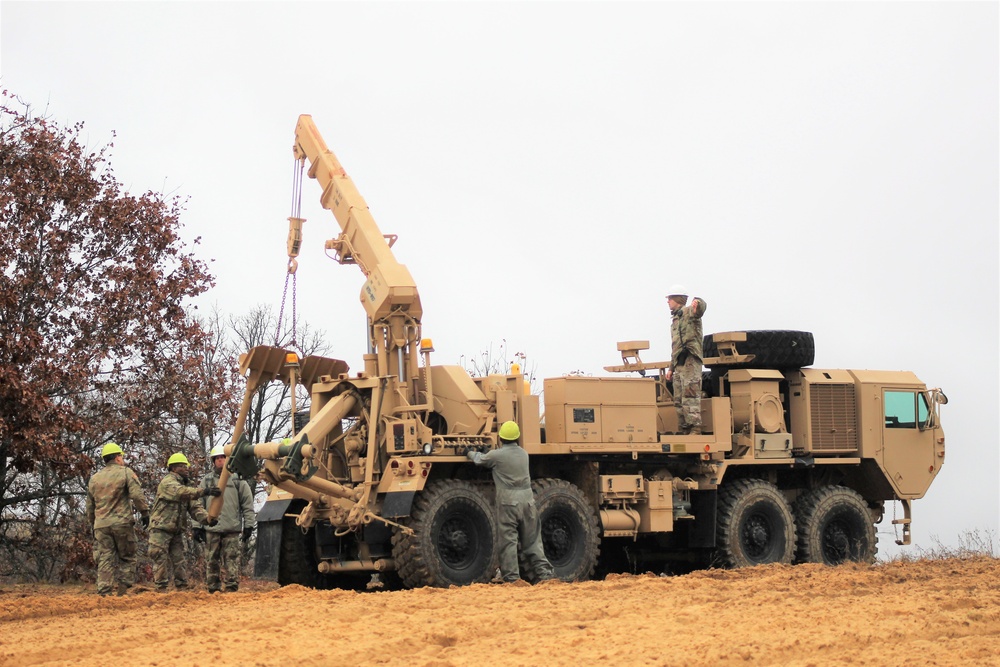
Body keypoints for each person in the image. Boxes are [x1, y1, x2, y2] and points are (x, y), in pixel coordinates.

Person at [467, 420, 554, 584]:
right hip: (528, 501)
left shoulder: (496, 455)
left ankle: (512, 578)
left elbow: (479, 460)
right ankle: (546, 575)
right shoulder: (524, 454)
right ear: (517, 437)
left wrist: (470, 452)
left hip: (508, 502)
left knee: (508, 541)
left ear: (500, 438)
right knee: (533, 541)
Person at [148, 452, 219, 592]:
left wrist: (208, 519)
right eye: (182, 466)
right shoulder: (168, 483)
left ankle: (182, 589)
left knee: (179, 560)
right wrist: (205, 491)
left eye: (186, 466)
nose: (186, 469)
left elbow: (195, 508)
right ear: (174, 468)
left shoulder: (188, 487)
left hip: (176, 530)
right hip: (160, 529)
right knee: (159, 558)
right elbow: (181, 493)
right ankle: (161, 589)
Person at [85, 442, 150, 596]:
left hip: (101, 525)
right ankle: (123, 591)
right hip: (121, 523)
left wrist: (93, 523)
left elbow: (90, 506)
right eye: (121, 456)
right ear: (118, 457)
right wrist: (145, 512)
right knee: (127, 557)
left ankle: (104, 592)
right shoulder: (126, 472)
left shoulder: (94, 478)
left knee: (105, 558)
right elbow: (136, 495)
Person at [193, 444, 256, 593]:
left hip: (231, 528)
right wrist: (197, 526)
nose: (221, 461)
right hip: (211, 529)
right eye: (218, 458)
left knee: (232, 560)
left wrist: (249, 525)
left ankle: (231, 588)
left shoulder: (237, 480)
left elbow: (247, 504)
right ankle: (213, 588)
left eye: (223, 458)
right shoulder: (206, 481)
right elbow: (197, 504)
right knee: (211, 560)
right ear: (213, 461)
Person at [664, 284, 708, 435]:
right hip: (679, 362)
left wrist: (698, 303)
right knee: (678, 399)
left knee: (690, 395)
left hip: (690, 360)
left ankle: (694, 428)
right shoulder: (675, 320)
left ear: (677, 298)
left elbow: (700, 309)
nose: (667, 301)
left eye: (669, 298)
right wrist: (671, 368)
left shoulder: (690, 312)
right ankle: (684, 428)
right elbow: (675, 347)